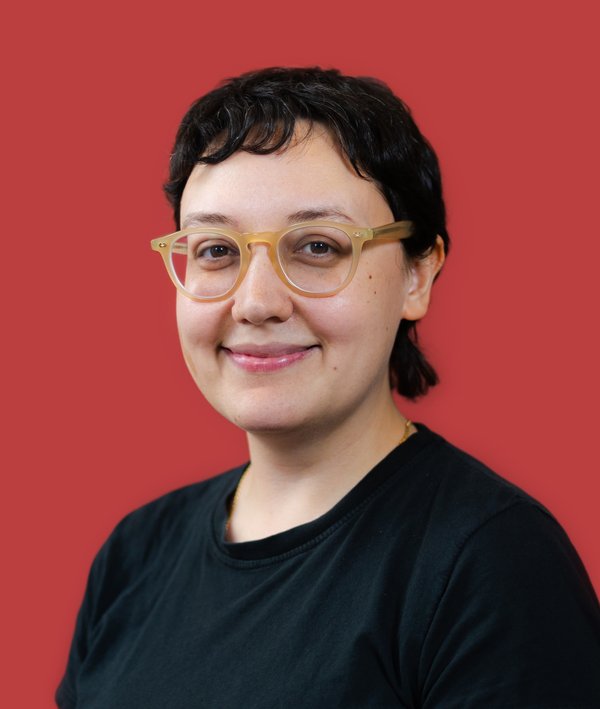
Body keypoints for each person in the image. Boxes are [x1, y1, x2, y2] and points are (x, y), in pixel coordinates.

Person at [56, 67, 600, 708]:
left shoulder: (490, 562)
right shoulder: (135, 554)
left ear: (417, 276)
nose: (256, 302)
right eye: (215, 250)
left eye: (317, 245)